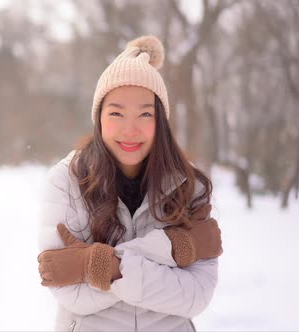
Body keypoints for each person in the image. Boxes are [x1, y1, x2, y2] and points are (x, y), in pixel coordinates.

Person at [37, 35, 223, 332]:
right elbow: (71, 294)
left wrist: (96, 265)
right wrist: (176, 249)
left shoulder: (190, 184)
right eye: (116, 113)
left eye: (145, 114)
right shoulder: (66, 182)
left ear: (161, 120)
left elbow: (196, 295)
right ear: (98, 118)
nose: (130, 129)